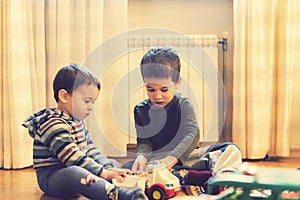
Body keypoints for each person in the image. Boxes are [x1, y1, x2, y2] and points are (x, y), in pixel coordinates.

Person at [122, 47, 242, 191]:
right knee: (127, 168)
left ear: (177, 82)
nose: (157, 96)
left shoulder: (184, 105)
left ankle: (219, 180)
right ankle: (190, 177)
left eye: (164, 89)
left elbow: (193, 134)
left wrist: (171, 159)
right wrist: (141, 156)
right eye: (151, 89)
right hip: (158, 161)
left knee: (231, 150)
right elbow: (145, 142)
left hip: (187, 157)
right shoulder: (140, 110)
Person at [22, 64, 148, 200]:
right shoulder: (53, 124)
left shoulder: (77, 121)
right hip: (53, 178)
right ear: (64, 96)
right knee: (75, 172)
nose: (91, 107)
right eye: (87, 101)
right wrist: (103, 173)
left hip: (77, 169)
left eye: (93, 102)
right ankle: (121, 195)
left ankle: (107, 184)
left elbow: (91, 149)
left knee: (112, 163)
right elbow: (72, 157)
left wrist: (107, 168)